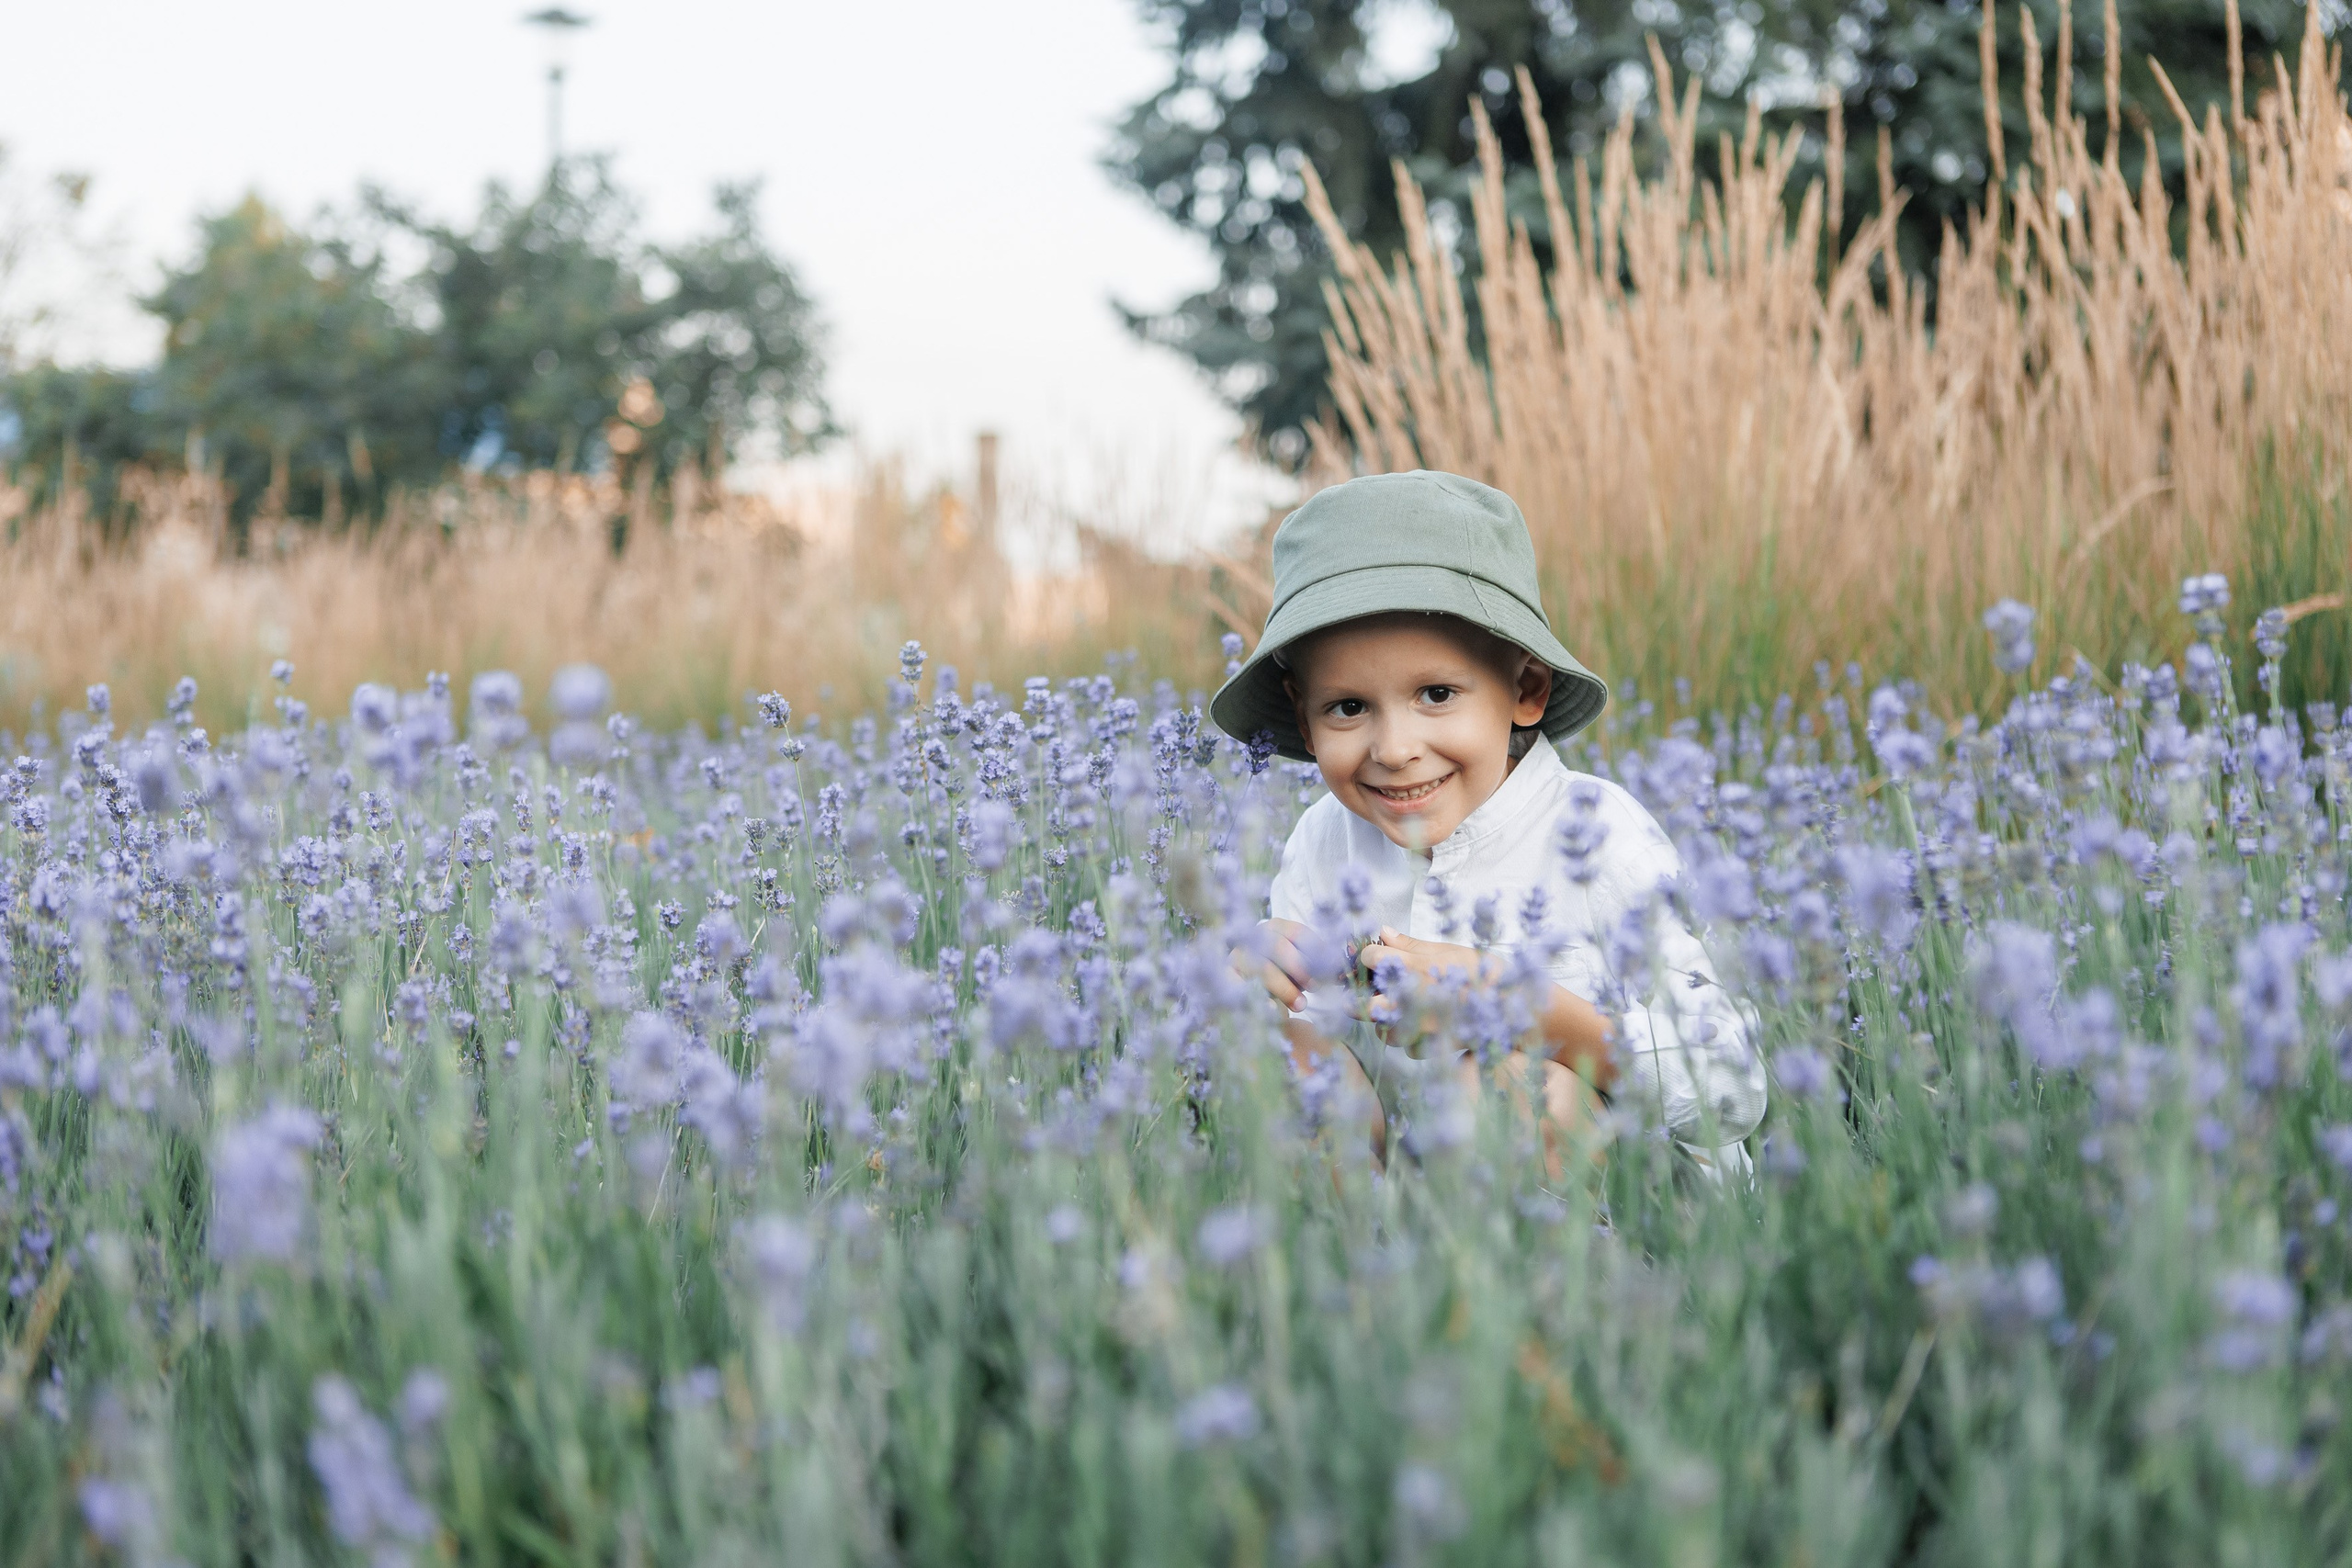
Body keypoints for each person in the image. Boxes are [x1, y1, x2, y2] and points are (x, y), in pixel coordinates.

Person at [1212, 470, 1765, 1179]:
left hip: (1626, 1221)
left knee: (1509, 1090)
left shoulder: (1596, 834)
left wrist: (1534, 1010)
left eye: (1436, 694)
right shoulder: (1322, 840)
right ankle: (1356, 1275)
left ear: (1526, 689)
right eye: (1348, 707)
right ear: (1302, 716)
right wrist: (1265, 981)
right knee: (1285, 1067)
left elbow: (1733, 1087)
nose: (1394, 748)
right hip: (1417, 1203)